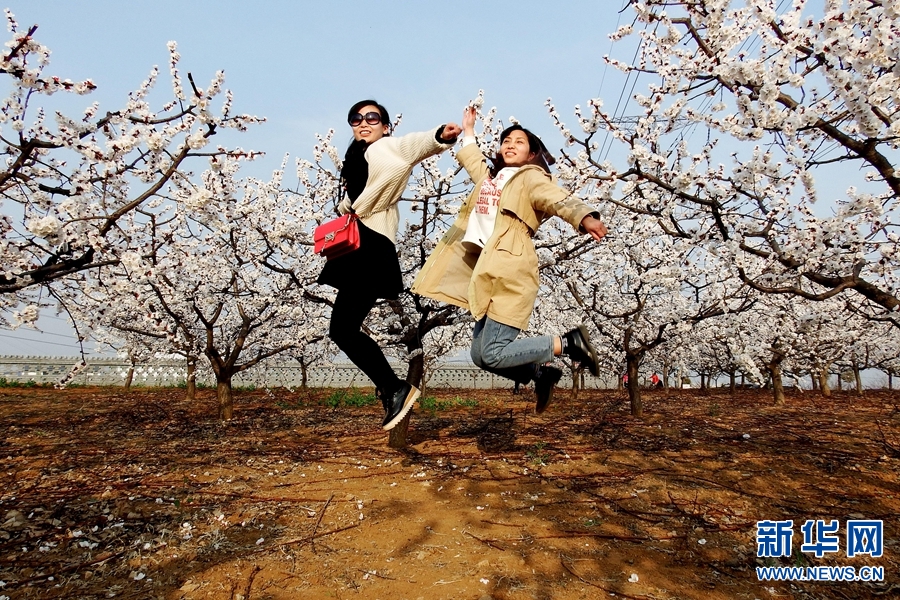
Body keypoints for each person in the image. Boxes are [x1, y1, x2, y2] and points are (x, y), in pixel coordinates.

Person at [412, 106, 607, 414]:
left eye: (519, 141)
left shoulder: (530, 178)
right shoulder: (491, 180)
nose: (510, 144)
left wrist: (584, 216)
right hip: (488, 269)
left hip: (510, 267)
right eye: (506, 141)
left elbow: (555, 198)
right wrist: (469, 130)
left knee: (492, 352)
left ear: (532, 154)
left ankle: (568, 344)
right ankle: (539, 373)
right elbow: (473, 159)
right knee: (480, 355)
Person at [318, 100, 461, 431]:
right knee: (343, 329)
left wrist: (440, 135)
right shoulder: (356, 157)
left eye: (372, 117)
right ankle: (392, 388)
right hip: (359, 244)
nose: (363, 122)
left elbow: (413, 146)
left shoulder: (386, 147)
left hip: (370, 245)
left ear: (385, 125)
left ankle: (394, 388)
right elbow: (358, 197)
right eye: (356, 118)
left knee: (342, 329)